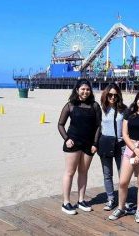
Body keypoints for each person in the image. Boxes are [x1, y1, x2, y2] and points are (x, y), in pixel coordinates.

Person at [109, 89, 139, 224]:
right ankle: (120, 208)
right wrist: (135, 149)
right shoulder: (129, 113)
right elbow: (124, 134)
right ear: (136, 99)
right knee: (123, 182)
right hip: (131, 148)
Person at [58, 79, 101, 215]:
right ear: (77, 90)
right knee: (70, 172)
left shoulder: (94, 106)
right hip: (73, 142)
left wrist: (95, 143)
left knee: (83, 171)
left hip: (89, 144)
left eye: (87, 89)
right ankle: (66, 202)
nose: (85, 91)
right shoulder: (70, 105)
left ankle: (81, 200)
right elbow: (60, 124)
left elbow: (99, 126)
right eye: (82, 89)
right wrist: (67, 139)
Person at [98, 83, 127, 211]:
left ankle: (123, 200)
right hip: (105, 144)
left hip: (120, 145)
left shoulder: (124, 110)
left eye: (115, 95)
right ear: (106, 95)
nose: (113, 97)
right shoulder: (101, 109)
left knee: (123, 175)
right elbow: (96, 128)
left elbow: (130, 127)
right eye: (110, 95)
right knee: (107, 174)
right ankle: (110, 199)